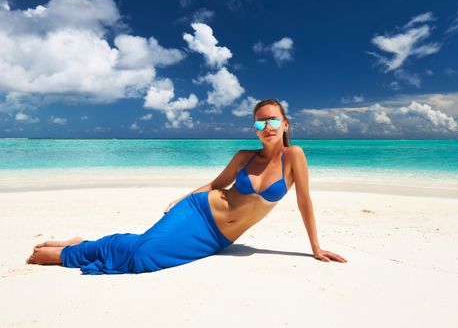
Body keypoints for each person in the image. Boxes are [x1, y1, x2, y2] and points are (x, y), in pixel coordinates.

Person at [26, 99, 347, 274]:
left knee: (146, 257)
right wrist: (182, 198)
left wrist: (315, 248)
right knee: (144, 252)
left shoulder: (295, 156)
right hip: (198, 210)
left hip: (218, 238)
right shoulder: (243, 156)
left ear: (285, 124)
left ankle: (81, 244)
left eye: (273, 120)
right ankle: (73, 251)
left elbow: (305, 201)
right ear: (255, 129)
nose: (267, 127)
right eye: (260, 122)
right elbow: (216, 185)